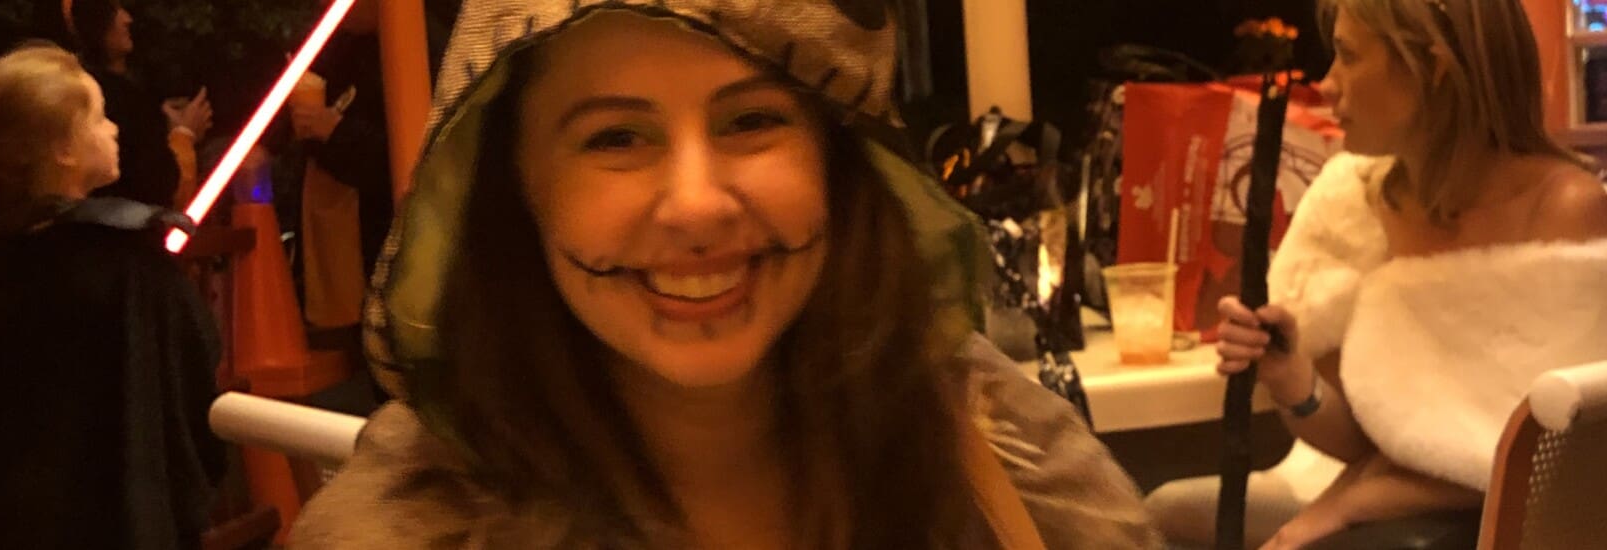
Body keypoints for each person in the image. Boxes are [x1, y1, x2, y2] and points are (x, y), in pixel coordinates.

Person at [289, 2, 1161, 548]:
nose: (697, 205)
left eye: (751, 121)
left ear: (839, 164)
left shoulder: (1000, 456)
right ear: (518, 194)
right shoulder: (409, 528)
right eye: (615, 138)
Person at [1146, 0, 1607, 548]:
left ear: (1432, 68)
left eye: (1348, 56)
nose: (1326, 84)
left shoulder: (1565, 211)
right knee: (1162, 514)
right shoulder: (1356, 203)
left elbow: (1558, 457)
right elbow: (1371, 441)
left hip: (1516, 530)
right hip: (1392, 518)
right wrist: (1292, 377)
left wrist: (1350, 504)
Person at [0, 43, 223, 550]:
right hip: (116, 520)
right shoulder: (131, 266)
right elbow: (197, 384)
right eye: (98, 118)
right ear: (63, 149)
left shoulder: (6, 256)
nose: (114, 128)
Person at [46, 0, 212, 210]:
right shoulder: (107, 98)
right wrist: (183, 136)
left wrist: (161, 126)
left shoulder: (125, 94)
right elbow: (160, 191)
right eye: (114, 10)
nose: (128, 19)